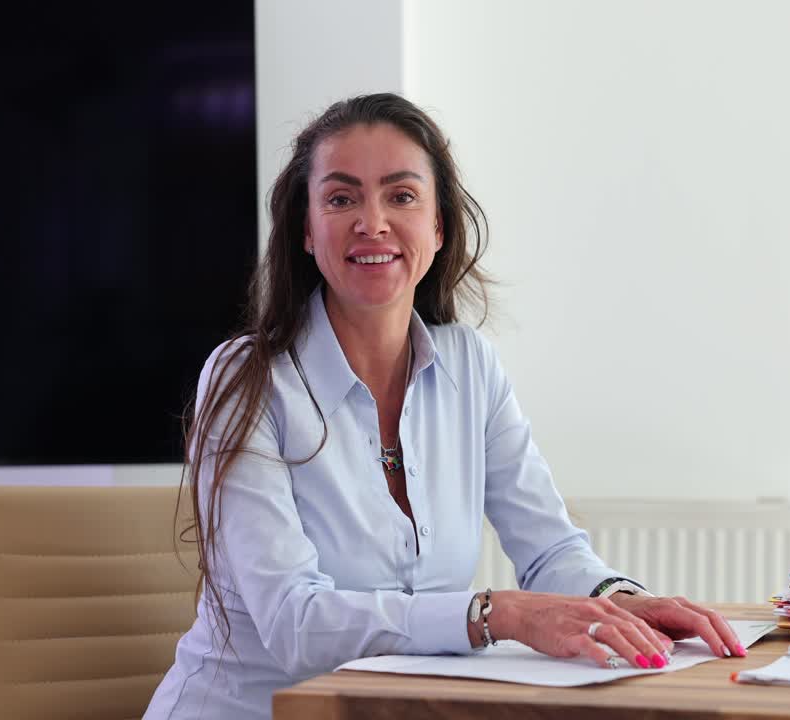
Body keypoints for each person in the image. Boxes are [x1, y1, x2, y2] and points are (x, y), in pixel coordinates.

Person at [144, 93, 744, 720]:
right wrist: (494, 614)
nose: (372, 222)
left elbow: (548, 549)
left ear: (438, 226)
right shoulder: (247, 380)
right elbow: (296, 624)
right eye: (341, 199)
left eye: (401, 196)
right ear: (306, 231)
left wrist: (620, 600)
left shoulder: (470, 365)